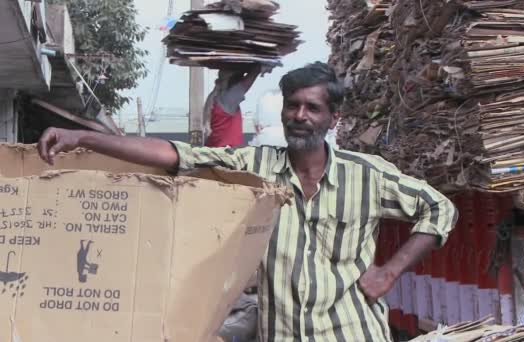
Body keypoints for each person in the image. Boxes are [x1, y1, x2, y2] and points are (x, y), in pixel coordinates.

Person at [37, 62, 458, 341]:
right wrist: (86, 137)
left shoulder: (366, 173)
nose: (300, 115)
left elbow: (440, 208)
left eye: (312, 107)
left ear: (334, 119)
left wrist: (390, 271)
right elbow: (177, 155)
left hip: (353, 331)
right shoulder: (254, 166)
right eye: (292, 106)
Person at [203, 64, 261, 147]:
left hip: (213, 150)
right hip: (226, 154)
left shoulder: (214, 96)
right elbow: (253, 74)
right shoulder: (229, 98)